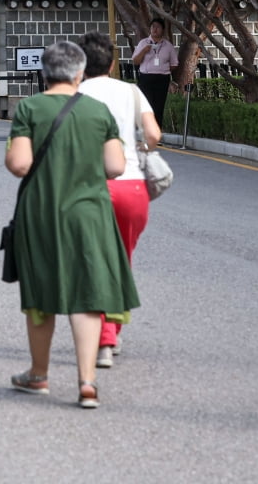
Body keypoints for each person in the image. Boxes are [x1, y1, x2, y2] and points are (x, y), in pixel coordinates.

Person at [4, 40, 139, 409]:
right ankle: (87, 382)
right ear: (80, 73)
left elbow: (19, 165)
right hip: (90, 212)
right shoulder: (98, 111)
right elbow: (115, 166)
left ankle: (39, 374)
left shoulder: (29, 108)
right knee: (88, 296)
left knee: (41, 297)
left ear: (45, 72)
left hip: (42, 211)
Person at [77, 31, 162, 368]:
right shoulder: (131, 91)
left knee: (93, 262)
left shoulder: (76, 93)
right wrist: (136, 149)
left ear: (81, 65)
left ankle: (104, 339)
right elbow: (154, 135)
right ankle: (111, 330)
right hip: (131, 190)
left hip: (90, 187)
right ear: (112, 64)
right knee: (120, 261)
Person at [131, 18, 179, 123]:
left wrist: (162, 69)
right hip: (146, 78)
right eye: (153, 26)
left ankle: (157, 131)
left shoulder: (168, 46)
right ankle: (146, 130)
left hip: (162, 79)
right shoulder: (143, 43)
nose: (155, 29)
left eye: (158, 27)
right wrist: (144, 51)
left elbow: (174, 64)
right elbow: (135, 61)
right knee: (146, 106)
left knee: (159, 106)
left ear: (163, 30)